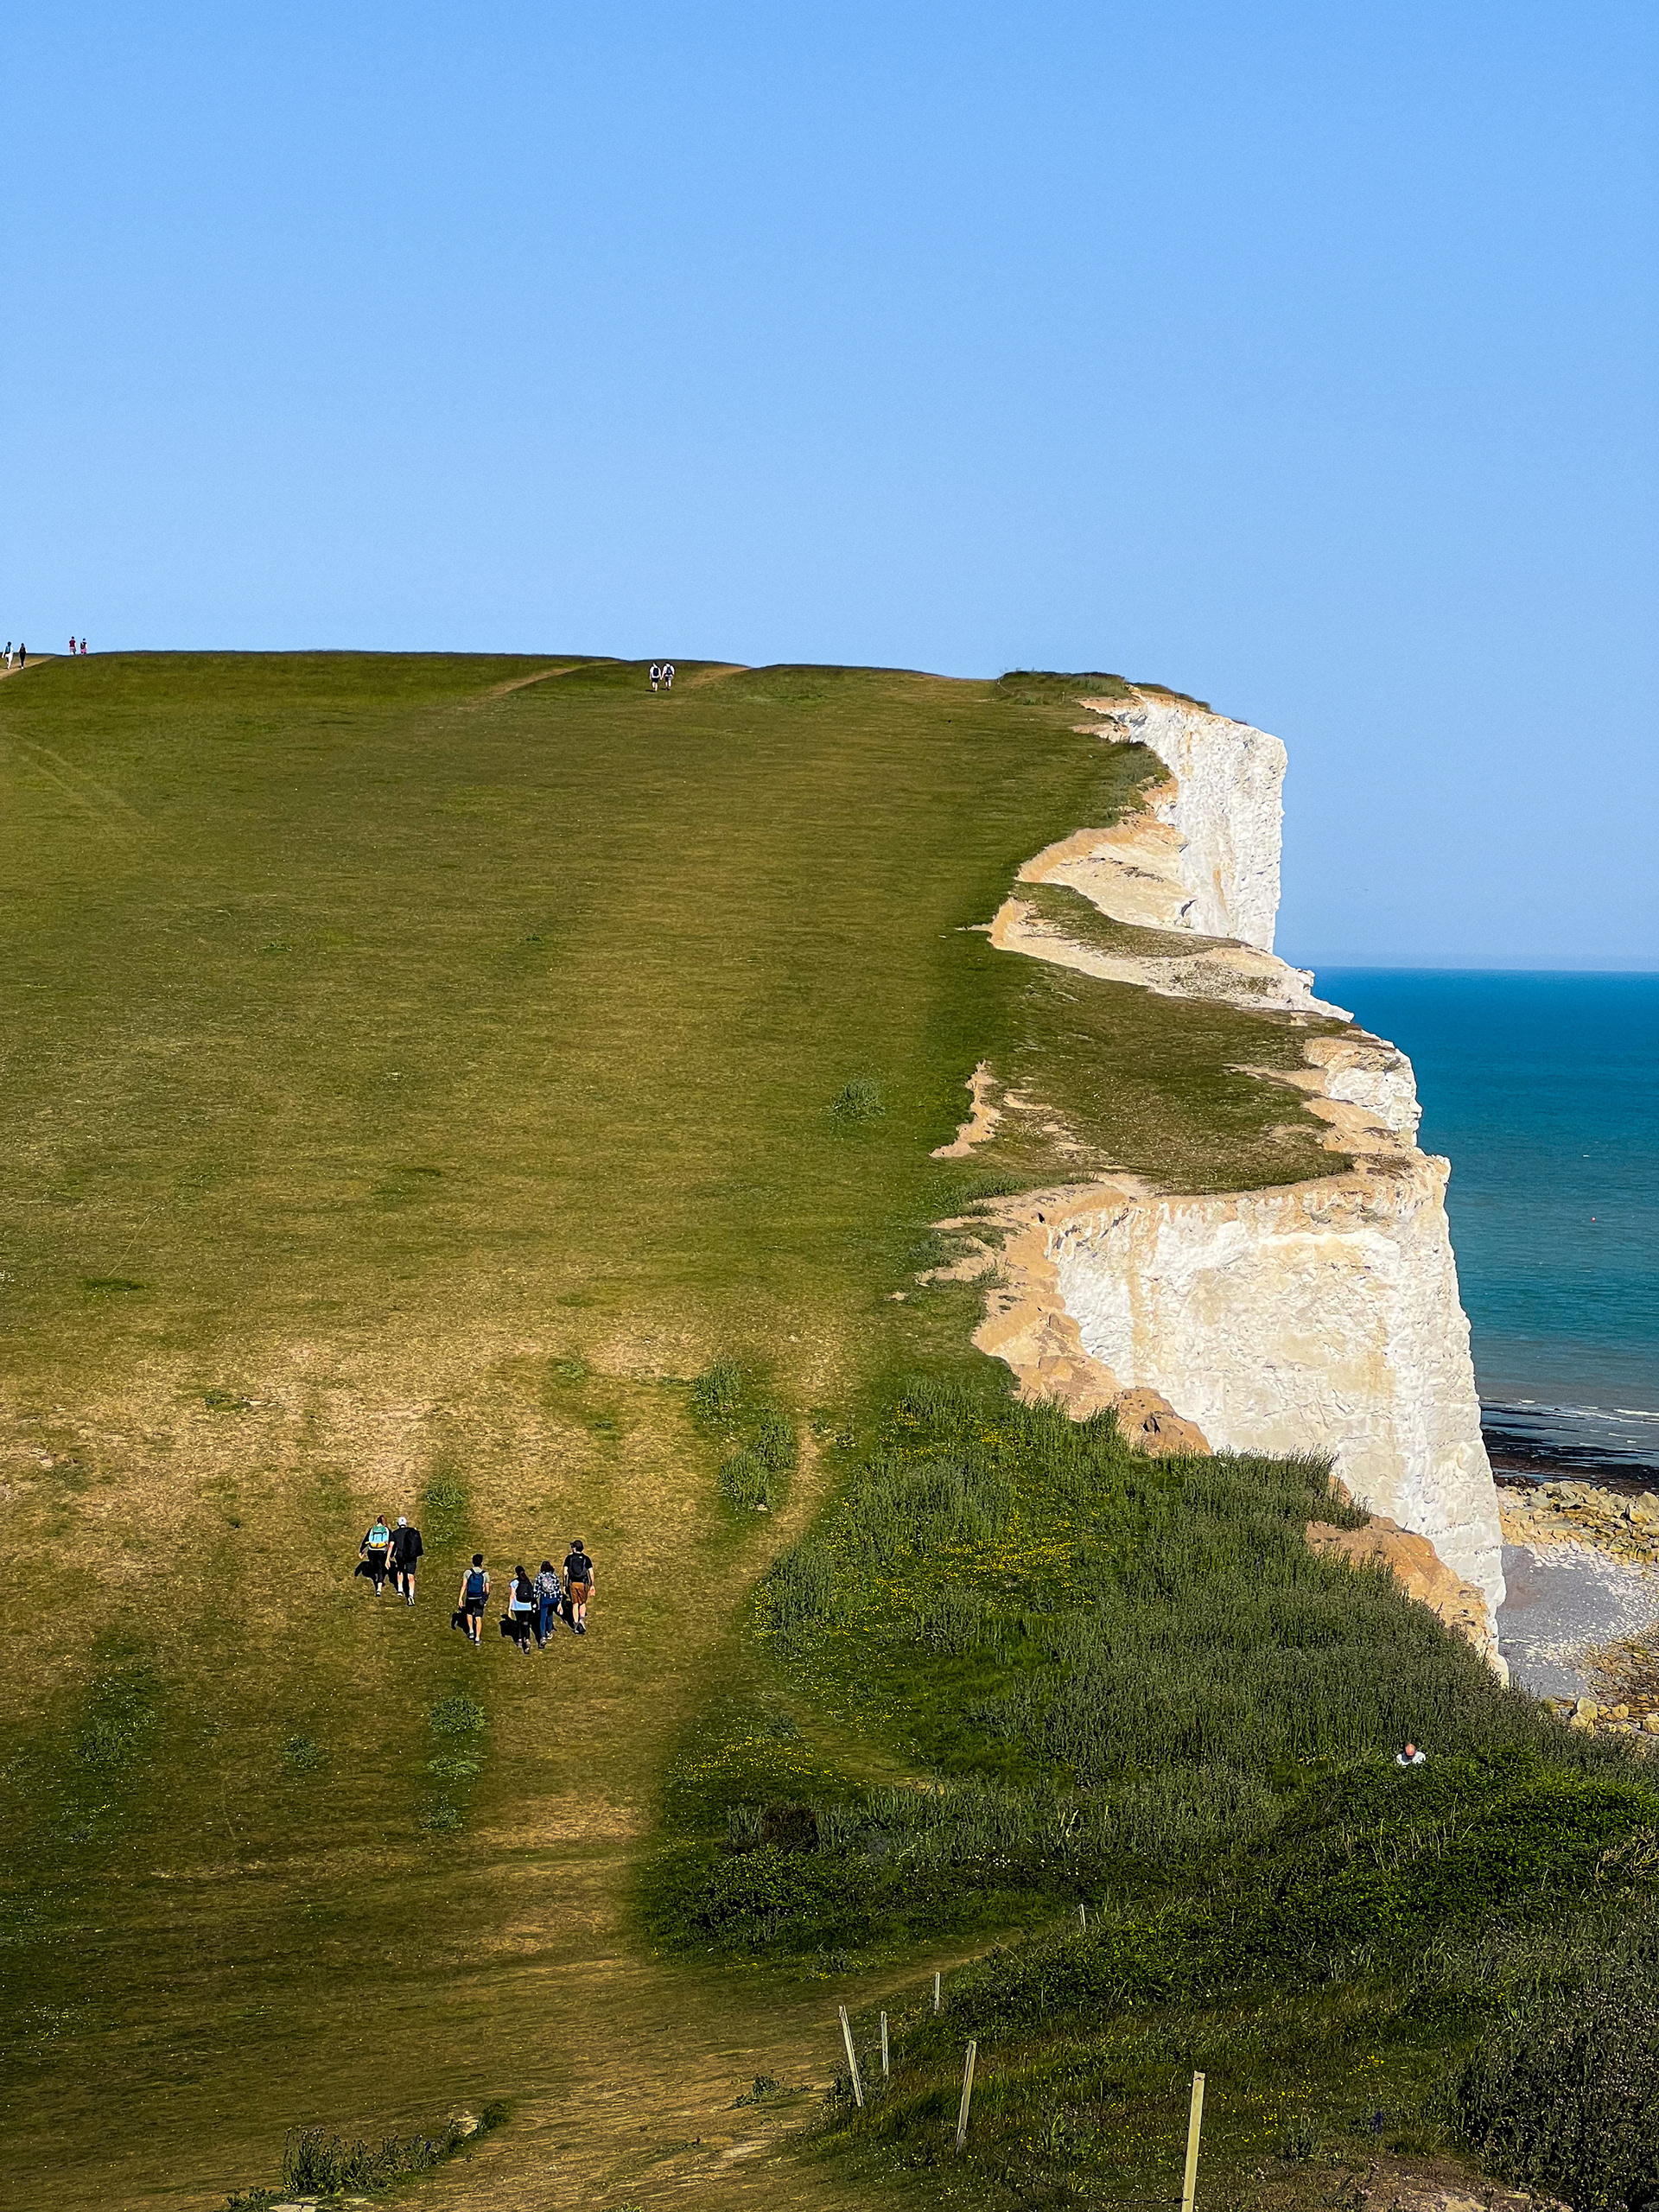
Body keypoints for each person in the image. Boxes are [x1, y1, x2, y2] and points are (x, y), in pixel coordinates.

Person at [563, 1540, 594, 1635]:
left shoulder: (569, 1558)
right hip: (583, 1584)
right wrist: (592, 1585)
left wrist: (564, 1584)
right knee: (583, 1603)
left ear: (575, 1548)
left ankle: (576, 1625)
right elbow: (591, 1573)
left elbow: (565, 1573)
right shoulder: (586, 1559)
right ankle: (581, 1620)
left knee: (575, 1604)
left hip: (573, 1583)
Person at [390, 1514, 423, 1604]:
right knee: (410, 1575)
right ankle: (411, 1595)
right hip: (411, 1555)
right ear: (406, 1523)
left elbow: (392, 1546)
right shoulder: (411, 1531)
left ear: (398, 1524)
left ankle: (400, 1589)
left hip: (400, 1555)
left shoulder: (395, 1533)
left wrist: (390, 1556)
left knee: (400, 1570)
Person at [458, 1554, 490, 1645]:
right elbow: (487, 1590)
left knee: (469, 1613)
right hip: (479, 1598)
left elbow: (464, 1586)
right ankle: (477, 1638)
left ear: (472, 1562)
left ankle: (471, 1631)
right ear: (481, 1563)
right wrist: (485, 1598)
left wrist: (460, 1598)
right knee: (478, 1617)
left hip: (470, 1597)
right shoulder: (485, 1574)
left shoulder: (467, 1572)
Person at [503, 1565, 536, 1652]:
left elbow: (512, 1595)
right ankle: (527, 1639)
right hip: (527, 1606)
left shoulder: (514, 1583)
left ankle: (520, 1639)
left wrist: (509, 1608)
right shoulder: (528, 1582)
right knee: (526, 1623)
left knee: (519, 1623)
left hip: (517, 1606)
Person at [359, 1513, 393, 1593]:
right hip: (382, 1550)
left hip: (372, 1550)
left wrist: (361, 1551)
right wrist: (391, 1554)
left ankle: (375, 1577)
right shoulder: (386, 1529)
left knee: (374, 1565)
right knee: (380, 1568)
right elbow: (392, 1542)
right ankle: (379, 1588)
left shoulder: (373, 1529)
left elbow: (366, 1540)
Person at [532, 1559, 563, 1647]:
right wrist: (559, 1601)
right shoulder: (554, 1576)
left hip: (544, 1599)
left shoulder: (540, 1577)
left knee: (542, 1617)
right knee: (550, 1614)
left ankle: (542, 1636)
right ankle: (549, 1632)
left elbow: (536, 1590)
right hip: (553, 1599)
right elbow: (558, 1589)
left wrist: (534, 1599)